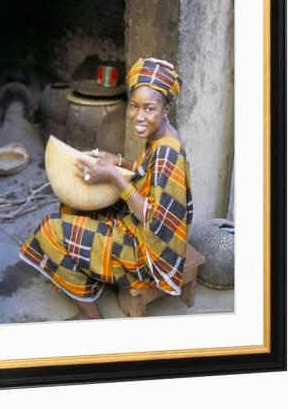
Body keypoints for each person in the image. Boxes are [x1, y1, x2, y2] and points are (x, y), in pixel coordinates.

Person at [19, 57, 193, 319]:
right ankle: (86, 273)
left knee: (50, 230)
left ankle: (93, 318)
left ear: (165, 108)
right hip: (138, 227)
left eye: (149, 109)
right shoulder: (161, 135)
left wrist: (114, 177)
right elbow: (150, 176)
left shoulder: (169, 152)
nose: (139, 116)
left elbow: (153, 219)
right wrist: (120, 161)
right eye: (134, 106)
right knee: (71, 206)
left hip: (148, 253)